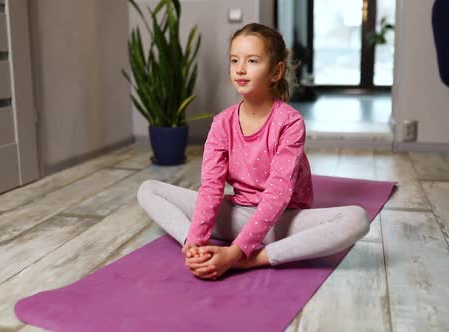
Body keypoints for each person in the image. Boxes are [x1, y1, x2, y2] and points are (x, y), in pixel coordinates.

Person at [137, 23, 369, 280]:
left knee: (356, 218)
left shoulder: (290, 122)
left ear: (276, 71)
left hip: (284, 220)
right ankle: (197, 251)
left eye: (253, 60)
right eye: (235, 60)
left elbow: (278, 195)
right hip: (237, 214)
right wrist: (195, 242)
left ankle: (255, 259)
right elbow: (212, 187)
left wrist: (237, 254)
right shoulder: (221, 123)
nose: (240, 69)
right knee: (149, 189)